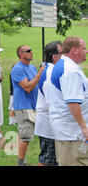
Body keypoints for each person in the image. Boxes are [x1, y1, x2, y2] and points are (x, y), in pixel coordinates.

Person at [48, 36, 88, 166]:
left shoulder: (68, 66)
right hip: (72, 133)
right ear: (75, 50)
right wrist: (83, 127)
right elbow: (72, 102)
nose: (86, 51)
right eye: (84, 48)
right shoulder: (69, 71)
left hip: (70, 132)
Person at [11, 45, 45, 166]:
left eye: (31, 50)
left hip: (33, 106)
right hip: (23, 106)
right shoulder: (17, 68)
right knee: (25, 137)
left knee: (24, 135)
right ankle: (20, 164)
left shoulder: (32, 67)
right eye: (28, 51)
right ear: (21, 54)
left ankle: (24, 161)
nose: (32, 52)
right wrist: (40, 72)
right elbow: (27, 87)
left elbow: (37, 84)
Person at [34, 41, 62, 166]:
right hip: (48, 122)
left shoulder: (49, 69)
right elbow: (52, 101)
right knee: (47, 159)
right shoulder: (50, 72)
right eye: (62, 53)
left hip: (49, 121)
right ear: (54, 56)